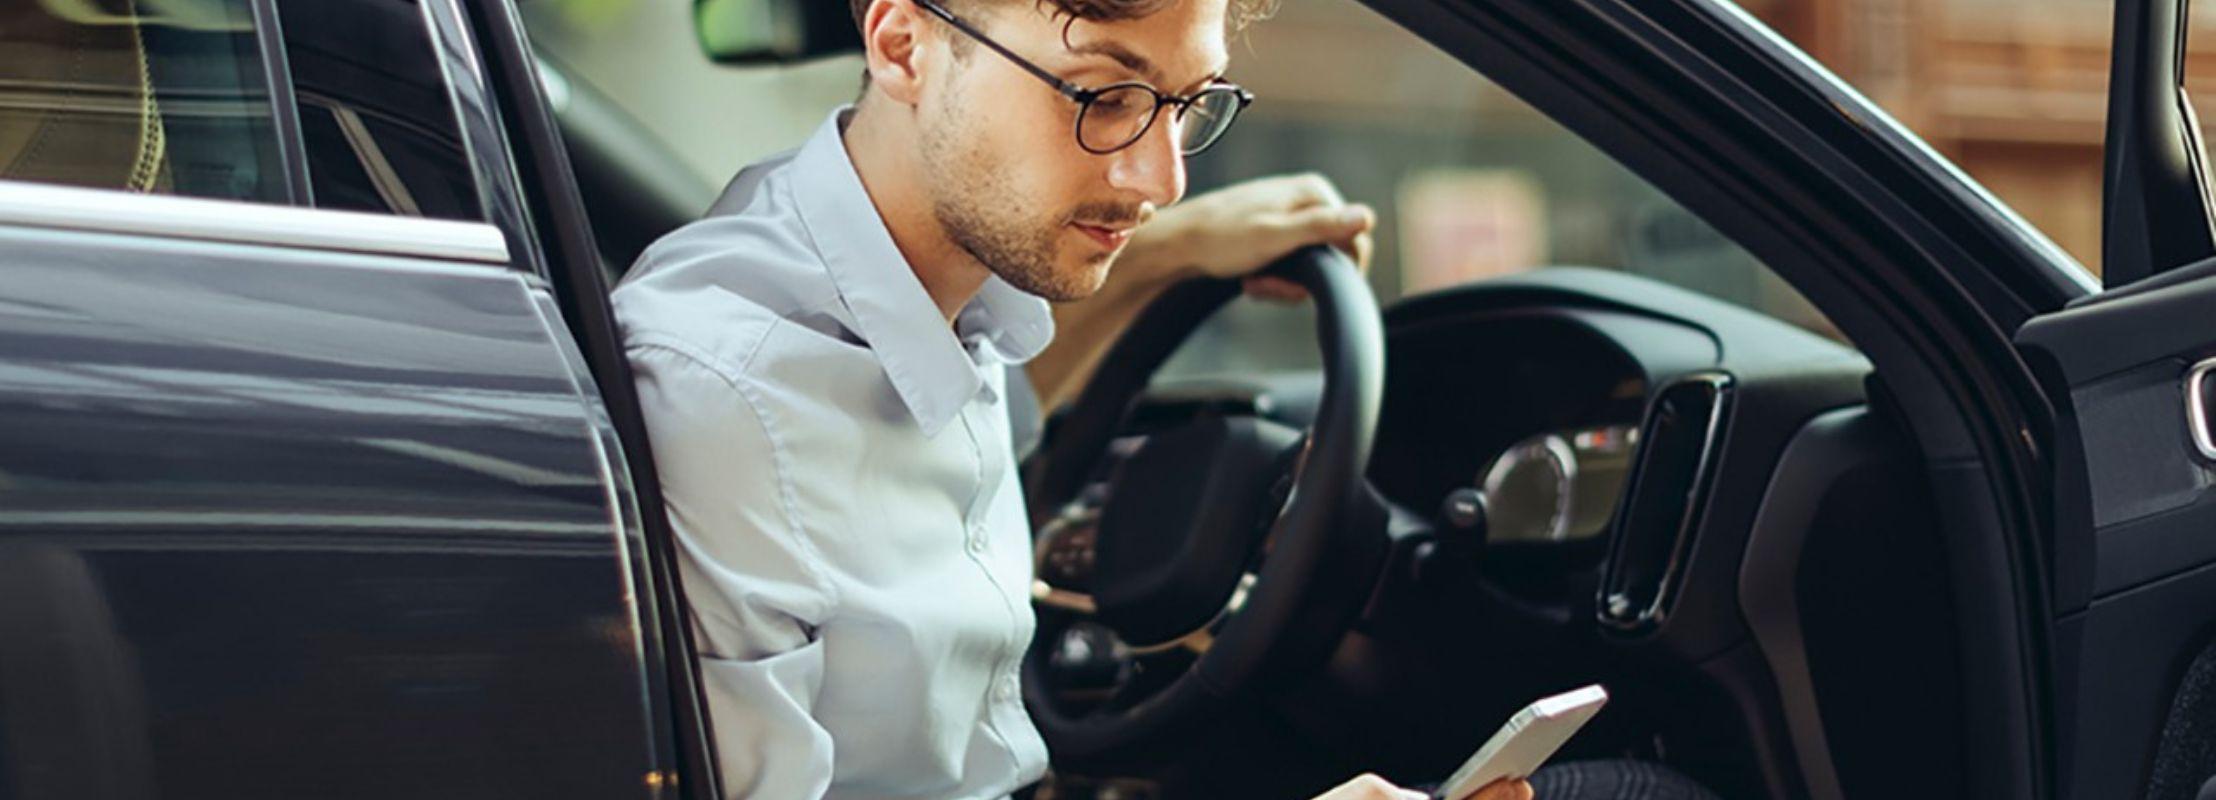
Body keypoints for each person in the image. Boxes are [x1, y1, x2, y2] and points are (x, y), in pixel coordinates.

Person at [611, 0, 1544, 797]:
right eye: (1105, 95)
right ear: (903, 45)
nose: (1162, 180)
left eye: (1187, 102)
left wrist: (1177, 254)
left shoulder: (939, 281)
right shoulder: (721, 399)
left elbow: (961, 429)